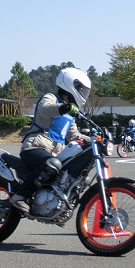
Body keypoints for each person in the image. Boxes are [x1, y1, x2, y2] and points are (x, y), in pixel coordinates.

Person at [10, 68, 92, 213]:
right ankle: (19, 196)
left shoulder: (70, 113)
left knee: (80, 177)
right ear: (70, 85)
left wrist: (94, 139)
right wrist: (63, 108)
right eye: (80, 89)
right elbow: (45, 109)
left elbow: (74, 135)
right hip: (34, 146)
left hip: (55, 153)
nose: (82, 92)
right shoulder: (51, 98)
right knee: (52, 165)